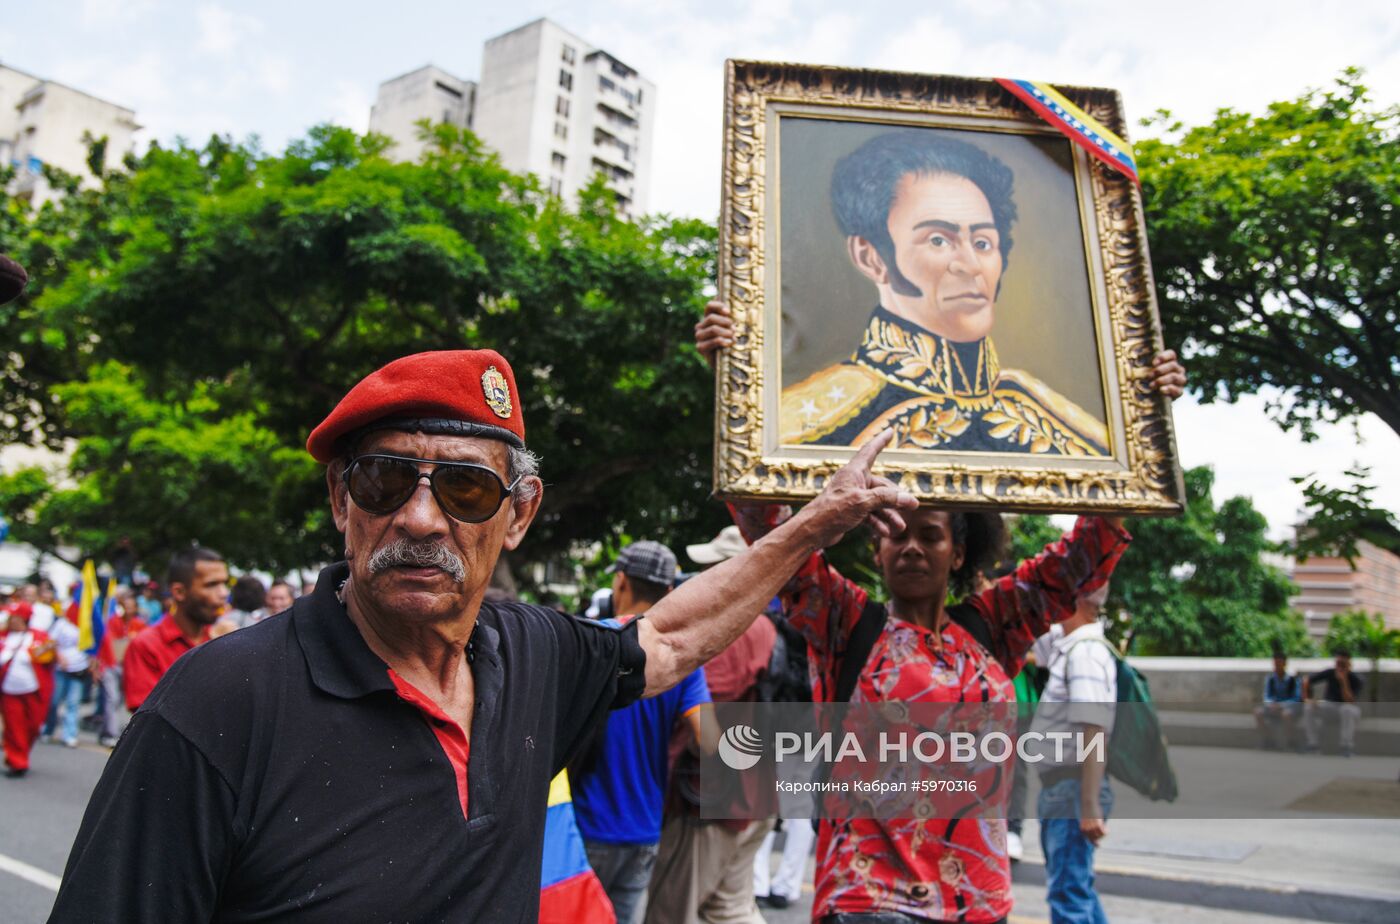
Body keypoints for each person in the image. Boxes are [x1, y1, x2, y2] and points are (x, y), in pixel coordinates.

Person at [49, 348, 917, 923]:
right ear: (340, 500)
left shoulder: (531, 650)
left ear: (519, 515)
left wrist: (813, 524)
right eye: (388, 479)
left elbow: (674, 638)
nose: (422, 516)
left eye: (465, 490)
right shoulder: (219, 704)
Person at [698, 304, 1185, 923]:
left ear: (959, 551)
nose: (910, 546)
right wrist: (734, 387)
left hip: (978, 905)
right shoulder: (845, 622)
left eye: (930, 535)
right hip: (866, 901)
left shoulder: (995, 624)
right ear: (873, 543)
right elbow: (768, 527)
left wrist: (1143, 411)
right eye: (895, 532)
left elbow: (1086, 554)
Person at [776, 130, 1169, 455]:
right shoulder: (804, 421)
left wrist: (1144, 407)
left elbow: (1108, 514)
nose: (970, 264)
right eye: (938, 240)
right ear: (871, 256)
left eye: (982, 242)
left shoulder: (1051, 414)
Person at [571, 541, 714, 924]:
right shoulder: (682, 662)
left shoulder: (588, 642)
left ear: (620, 582)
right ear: (669, 592)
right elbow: (711, 744)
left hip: (583, 825)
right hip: (644, 831)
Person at [1028, 583, 1119, 924]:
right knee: (1077, 890)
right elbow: (1033, 637)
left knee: (1069, 896)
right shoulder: (1069, 646)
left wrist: (1089, 804)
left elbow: (1093, 728)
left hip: (1072, 789)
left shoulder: (1085, 653)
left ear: (1074, 598)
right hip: (1065, 790)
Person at [121, 548, 226, 712]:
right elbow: (150, 719)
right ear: (179, 592)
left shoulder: (221, 640)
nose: (223, 593)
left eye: (224, 583)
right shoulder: (146, 645)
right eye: (211, 585)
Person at [1, 602, 57, 777]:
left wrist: (48, 651)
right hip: (9, 691)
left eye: (14, 617)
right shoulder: (3, 636)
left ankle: (20, 754)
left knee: (33, 726)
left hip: (34, 691)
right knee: (14, 727)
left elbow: (50, 657)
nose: (11, 620)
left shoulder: (39, 636)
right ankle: (18, 761)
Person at [94, 587, 147, 747]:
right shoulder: (113, 622)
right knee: (112, 699)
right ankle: (112, 734)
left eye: (131, 607)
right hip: (111, 665)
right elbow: (105, 644)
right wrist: (98, 665)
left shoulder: (140, 625)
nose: (128, 610)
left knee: (120, 701)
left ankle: (105, 731)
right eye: (126, 606)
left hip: (129, 668)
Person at [42, 605, 89, 748]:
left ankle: (69, 734)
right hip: (61, 669)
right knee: (54, 701)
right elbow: (51, 642)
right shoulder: (62, 624)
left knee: (73, 703)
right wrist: (59, 657)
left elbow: (94, 646)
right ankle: (48, 729)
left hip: (79, 669)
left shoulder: (89, 623)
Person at [1303, 650, 1364, 757]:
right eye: (1338, 664)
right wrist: (1308, 699)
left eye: (1342, 664)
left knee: (1347, 709)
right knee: (1308, 708)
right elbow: (1306, 680)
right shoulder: (1330, 673)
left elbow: (1350, 701)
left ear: (1349, 664)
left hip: (1349, 709)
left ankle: (1346, 746)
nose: (1339, 667)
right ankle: (1313, 744)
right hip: (1330, 706)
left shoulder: (1356, 679)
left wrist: (1343, 681)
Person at [1254, 651, 1302, 750]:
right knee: (1258, 712)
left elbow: (1296, 698)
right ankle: (1268, 740)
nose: (1277, 666)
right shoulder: (1270, 679)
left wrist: (1282, 705)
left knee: (1286, 714)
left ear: (1284, 664)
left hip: (1288, 707)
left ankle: (1291, 742)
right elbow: (1266, 696)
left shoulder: (1292, 679)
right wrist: (1271, 704)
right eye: (1275, 664)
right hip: (1273, 707)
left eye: (1279, 664)